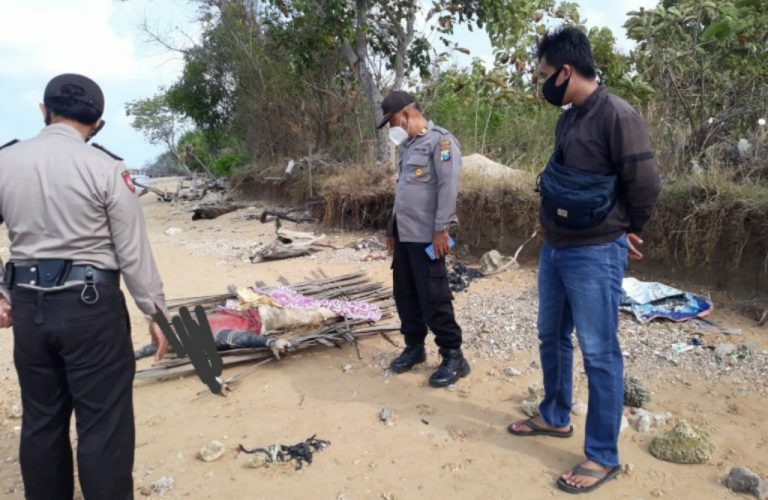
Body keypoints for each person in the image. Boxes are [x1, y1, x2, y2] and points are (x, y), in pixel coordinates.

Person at [0, 73, 169, 500]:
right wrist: (157, 313)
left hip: (28, 308)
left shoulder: (5, 162)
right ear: (97, 123)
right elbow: (133, 251)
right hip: (92, 308)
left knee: (42, 421)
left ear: (44, 111)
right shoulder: (106, 168)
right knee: (103, 426)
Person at [507, 28, 661, 494]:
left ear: (567, 71)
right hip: (557, 248)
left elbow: (646, 183)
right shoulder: (570, 116)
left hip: (595, 252)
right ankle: (555, 416)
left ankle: (602, 456)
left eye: (544, 74)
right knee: (551, 334)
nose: (542, 82)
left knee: (599, 352)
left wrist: (627, 230)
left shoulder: (618, 115)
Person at [378, 90, 470, 388]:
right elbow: (402, 192)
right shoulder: (407, 147)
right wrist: (392, 230)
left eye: (392, 121)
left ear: (405, 115)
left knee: (434, 295)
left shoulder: (440, 142)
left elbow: (448, 188)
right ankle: (414, 347)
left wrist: (442, 230)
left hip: (429, 236)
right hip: (405, 236)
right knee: (405, 294)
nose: (392, 127)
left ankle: (453, 355)